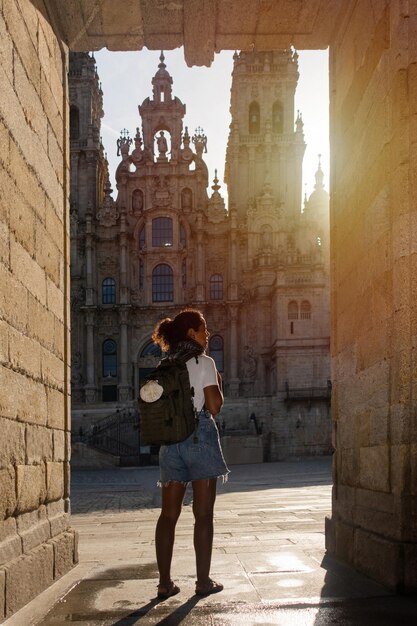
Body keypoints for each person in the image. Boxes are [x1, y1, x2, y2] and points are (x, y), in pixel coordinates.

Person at [151, 308, 229, 599]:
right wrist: (217, 381)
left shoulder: (165, 363)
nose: (207, 334)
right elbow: (214, 406)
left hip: (170, 443)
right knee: (203, 514)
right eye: (203, 328)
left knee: (168, 515)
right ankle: (203, 581)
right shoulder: (204, 361)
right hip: (199, 438)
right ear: (191, 333)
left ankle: (164, 583)